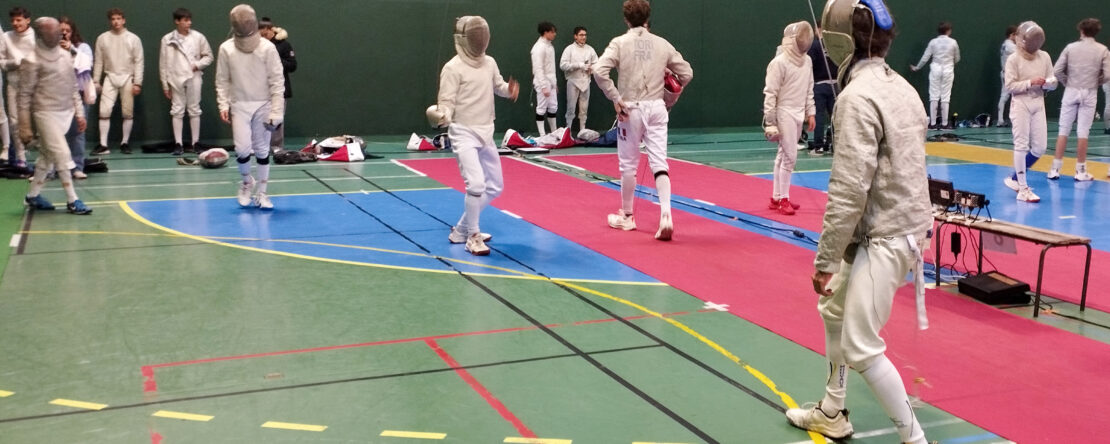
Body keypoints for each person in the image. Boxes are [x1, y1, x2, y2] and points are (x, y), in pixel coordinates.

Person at [787, 1, 930, 443]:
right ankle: (832, 411)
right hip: (901, 227)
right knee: (834, 309)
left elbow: (850, 189)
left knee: (862, 346)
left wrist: (826, 258)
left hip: (887, 236)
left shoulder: (856, 98)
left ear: (840, 42)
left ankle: (916, 440)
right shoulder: (903, 87)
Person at [593, 0, 693, 241]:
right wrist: (669, 92)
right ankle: (666, 215)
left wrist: (615, 97)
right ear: (647, 18)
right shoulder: (662, 43)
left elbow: (599, 70)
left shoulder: (619, 42)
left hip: (631, 109)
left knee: (628, 164)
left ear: (626, 19)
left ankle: (627, 216)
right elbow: (687, 73)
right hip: (657, 107)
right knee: (660, 162)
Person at [428, 16, 519, 256]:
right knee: (476, 184)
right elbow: (446, 102)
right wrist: (442, 115)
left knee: (495, 186)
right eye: (475, 35)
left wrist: (508, 90)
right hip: (463, 132)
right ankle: (473, 236)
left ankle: (461, 230)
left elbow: (498, 85)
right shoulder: (452, 68)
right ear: (463, 39)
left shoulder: (489, 62)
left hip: (486, 131)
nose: (480, 39)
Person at [19, 17, 91, 215]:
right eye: (51, 31)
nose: (57, 34)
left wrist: (79, 113)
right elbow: (24, 95)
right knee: (61, 153)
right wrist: (24, 126)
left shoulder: (65, 55)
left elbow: (73, 86)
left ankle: (32, 196)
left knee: (47, 156)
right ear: (41, 34)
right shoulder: (31, 60)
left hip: (65, 112)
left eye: (57, 30)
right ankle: (72, 200)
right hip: (44, 112)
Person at [215, 4, 284, 210]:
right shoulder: (226, 48)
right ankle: (247, 182)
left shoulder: (268, 48)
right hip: (239, 104)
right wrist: (223, 103)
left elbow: (277, 80)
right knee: (242, 149)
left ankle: (262, 193)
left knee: (262, 150)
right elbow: (222, 80)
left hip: (263, 104)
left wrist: (276, 110)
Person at [1048, 18, 1110, 182]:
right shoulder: (1102, 50)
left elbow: (1057, 70)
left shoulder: (1070, 47)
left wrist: (1067, 82)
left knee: (1063, 129)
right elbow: (1108, 75)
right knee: (1083, 131)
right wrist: (1095, 82)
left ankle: (1054, 169)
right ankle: (1081, 170)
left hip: (1071, 90)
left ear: (1081, 31)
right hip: (1089, 92)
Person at [764, 22, 816, 216]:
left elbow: (809, 88)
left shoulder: (807, 61)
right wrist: (771, 121)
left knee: (783, 155)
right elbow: (770, 93)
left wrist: (811, 112)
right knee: (790, 157)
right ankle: (783, 199)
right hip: (784, 111)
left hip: (799, 112)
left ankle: (776, 197)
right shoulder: (779, 62)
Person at [1003, 21, 1056, 203]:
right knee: (1021, 145)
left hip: (1038, 102)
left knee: (1040, 147)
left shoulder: (1044, 57)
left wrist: (1047, 83)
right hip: (1020, 103)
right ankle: (1023, 188)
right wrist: (1030, 82)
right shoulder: (1013, 59)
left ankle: (1014, 179)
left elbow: (1053, 80)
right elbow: (1009, 86)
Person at [159, 8, 212, 156]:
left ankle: (196, 143)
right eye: (185, 20)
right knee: (177, 110)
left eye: (189, 20)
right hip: (175, 78)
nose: (189, 23)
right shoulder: (167, 39)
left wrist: (197, 65)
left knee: (194, 109)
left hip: (194, 77)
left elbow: (209, 56)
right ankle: (178, 144)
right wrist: (165, 84)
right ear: (177, 21)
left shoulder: (198, 37)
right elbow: (163, 64)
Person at [92, 8, 143, 155]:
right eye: (113, 19)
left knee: (127, 112)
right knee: (104, 111)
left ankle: (124, 143)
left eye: (119, 18)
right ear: (110, 21)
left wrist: (137, 82)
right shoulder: (103, 38)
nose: (116, 22)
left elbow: (139, 61)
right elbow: (99, 61)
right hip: (110, 77)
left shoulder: (133, 39)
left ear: (123, 20)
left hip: (127, 77)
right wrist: (96, 81)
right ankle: (103, 145)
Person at [910, 21, 960, 129]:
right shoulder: (953, 42)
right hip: (948, 70)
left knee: (933, 96)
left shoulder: (933, 42)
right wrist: (950, 63)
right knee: (945, 97)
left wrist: (917, 67)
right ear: (948, 31)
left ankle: (932, 123)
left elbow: (925, 57)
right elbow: (957, 58)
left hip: (935, 69)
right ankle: (944, 124)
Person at [60, 16, 92, 179]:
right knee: (57, 133)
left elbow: (86, 64)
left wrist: (71, 49)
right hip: (58, 95)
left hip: (78, 93)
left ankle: (77, 167)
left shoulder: (82, 47)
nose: (64, 34)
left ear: (73, 32)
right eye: (61, 31)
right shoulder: (51, 48)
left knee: (78, 132)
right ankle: (54, 168)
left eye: (68, 31)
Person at [2, 7, 33, 167]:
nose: (15, 23)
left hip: (34, 86)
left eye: (19, 20)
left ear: (27, 20)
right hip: (13, 84)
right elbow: (1, 62)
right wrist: (15, 63)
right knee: (14, 122)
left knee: (40, 120)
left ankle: (46, 159)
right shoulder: (6, 37)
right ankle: (21, 158)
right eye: (13, 20)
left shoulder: (36, 37)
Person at [259, 16, 295, 151]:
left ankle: (276, 147)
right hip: (261, 90)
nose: (262, 37)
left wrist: (276, 59)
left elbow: (292, 66)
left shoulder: (284, 45)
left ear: (270, 29)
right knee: (260, 119)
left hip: (280, 89)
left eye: (264, 34)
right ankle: (260, 146)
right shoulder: (258, 45)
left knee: (277, 119)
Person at [560, 26, 597, 135]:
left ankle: (582, 132)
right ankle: (568, 132)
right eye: (581, 35)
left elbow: (597, 63)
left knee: (584, 109)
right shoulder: (569, 49)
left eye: (585, 35)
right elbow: (563, 65)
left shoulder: (590, 49)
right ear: (575, 36)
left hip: (586, 81)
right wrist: (579, 65)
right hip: (573, 81)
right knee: (570, 108)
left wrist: (591, 69)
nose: (583, 37)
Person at [808, 20, 837, 154]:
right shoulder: (836, 44)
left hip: (819, 85)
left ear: (817, 29)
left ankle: (818, 146)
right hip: (835, 85)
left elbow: (809, 64)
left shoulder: (814, 45)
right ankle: (835, 145)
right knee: (835, 116)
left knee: (819, 115)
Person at [531, 21, 557, 136]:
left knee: (553, 107)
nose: (554, 34)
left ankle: (554, 133)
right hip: (542, 82)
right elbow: (538, 68)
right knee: (541, 108)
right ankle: (542, 135)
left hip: (551, 82)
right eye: (552, 32)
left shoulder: (549, 46)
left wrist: (554, 84)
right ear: (545, 32)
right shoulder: (538, 48)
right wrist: (543, 86)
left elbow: (551, 68)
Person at [996, 25, 1017, 127]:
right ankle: (1003, 120)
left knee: (1004, 96)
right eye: (1016, 35)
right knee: (1011, 96)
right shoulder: (1010, 45)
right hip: (1009, 74)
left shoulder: (1005, 44)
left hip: (1006, 73)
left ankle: (1001, 120)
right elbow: (1022, 54)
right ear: (1011, 35)